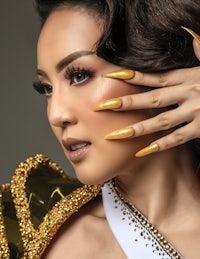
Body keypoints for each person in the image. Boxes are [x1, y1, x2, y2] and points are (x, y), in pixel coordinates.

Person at [1, 0, 200, 258]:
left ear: (161, 66)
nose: (56, 114)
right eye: (47, 89)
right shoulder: (26, 234)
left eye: (79, 75)